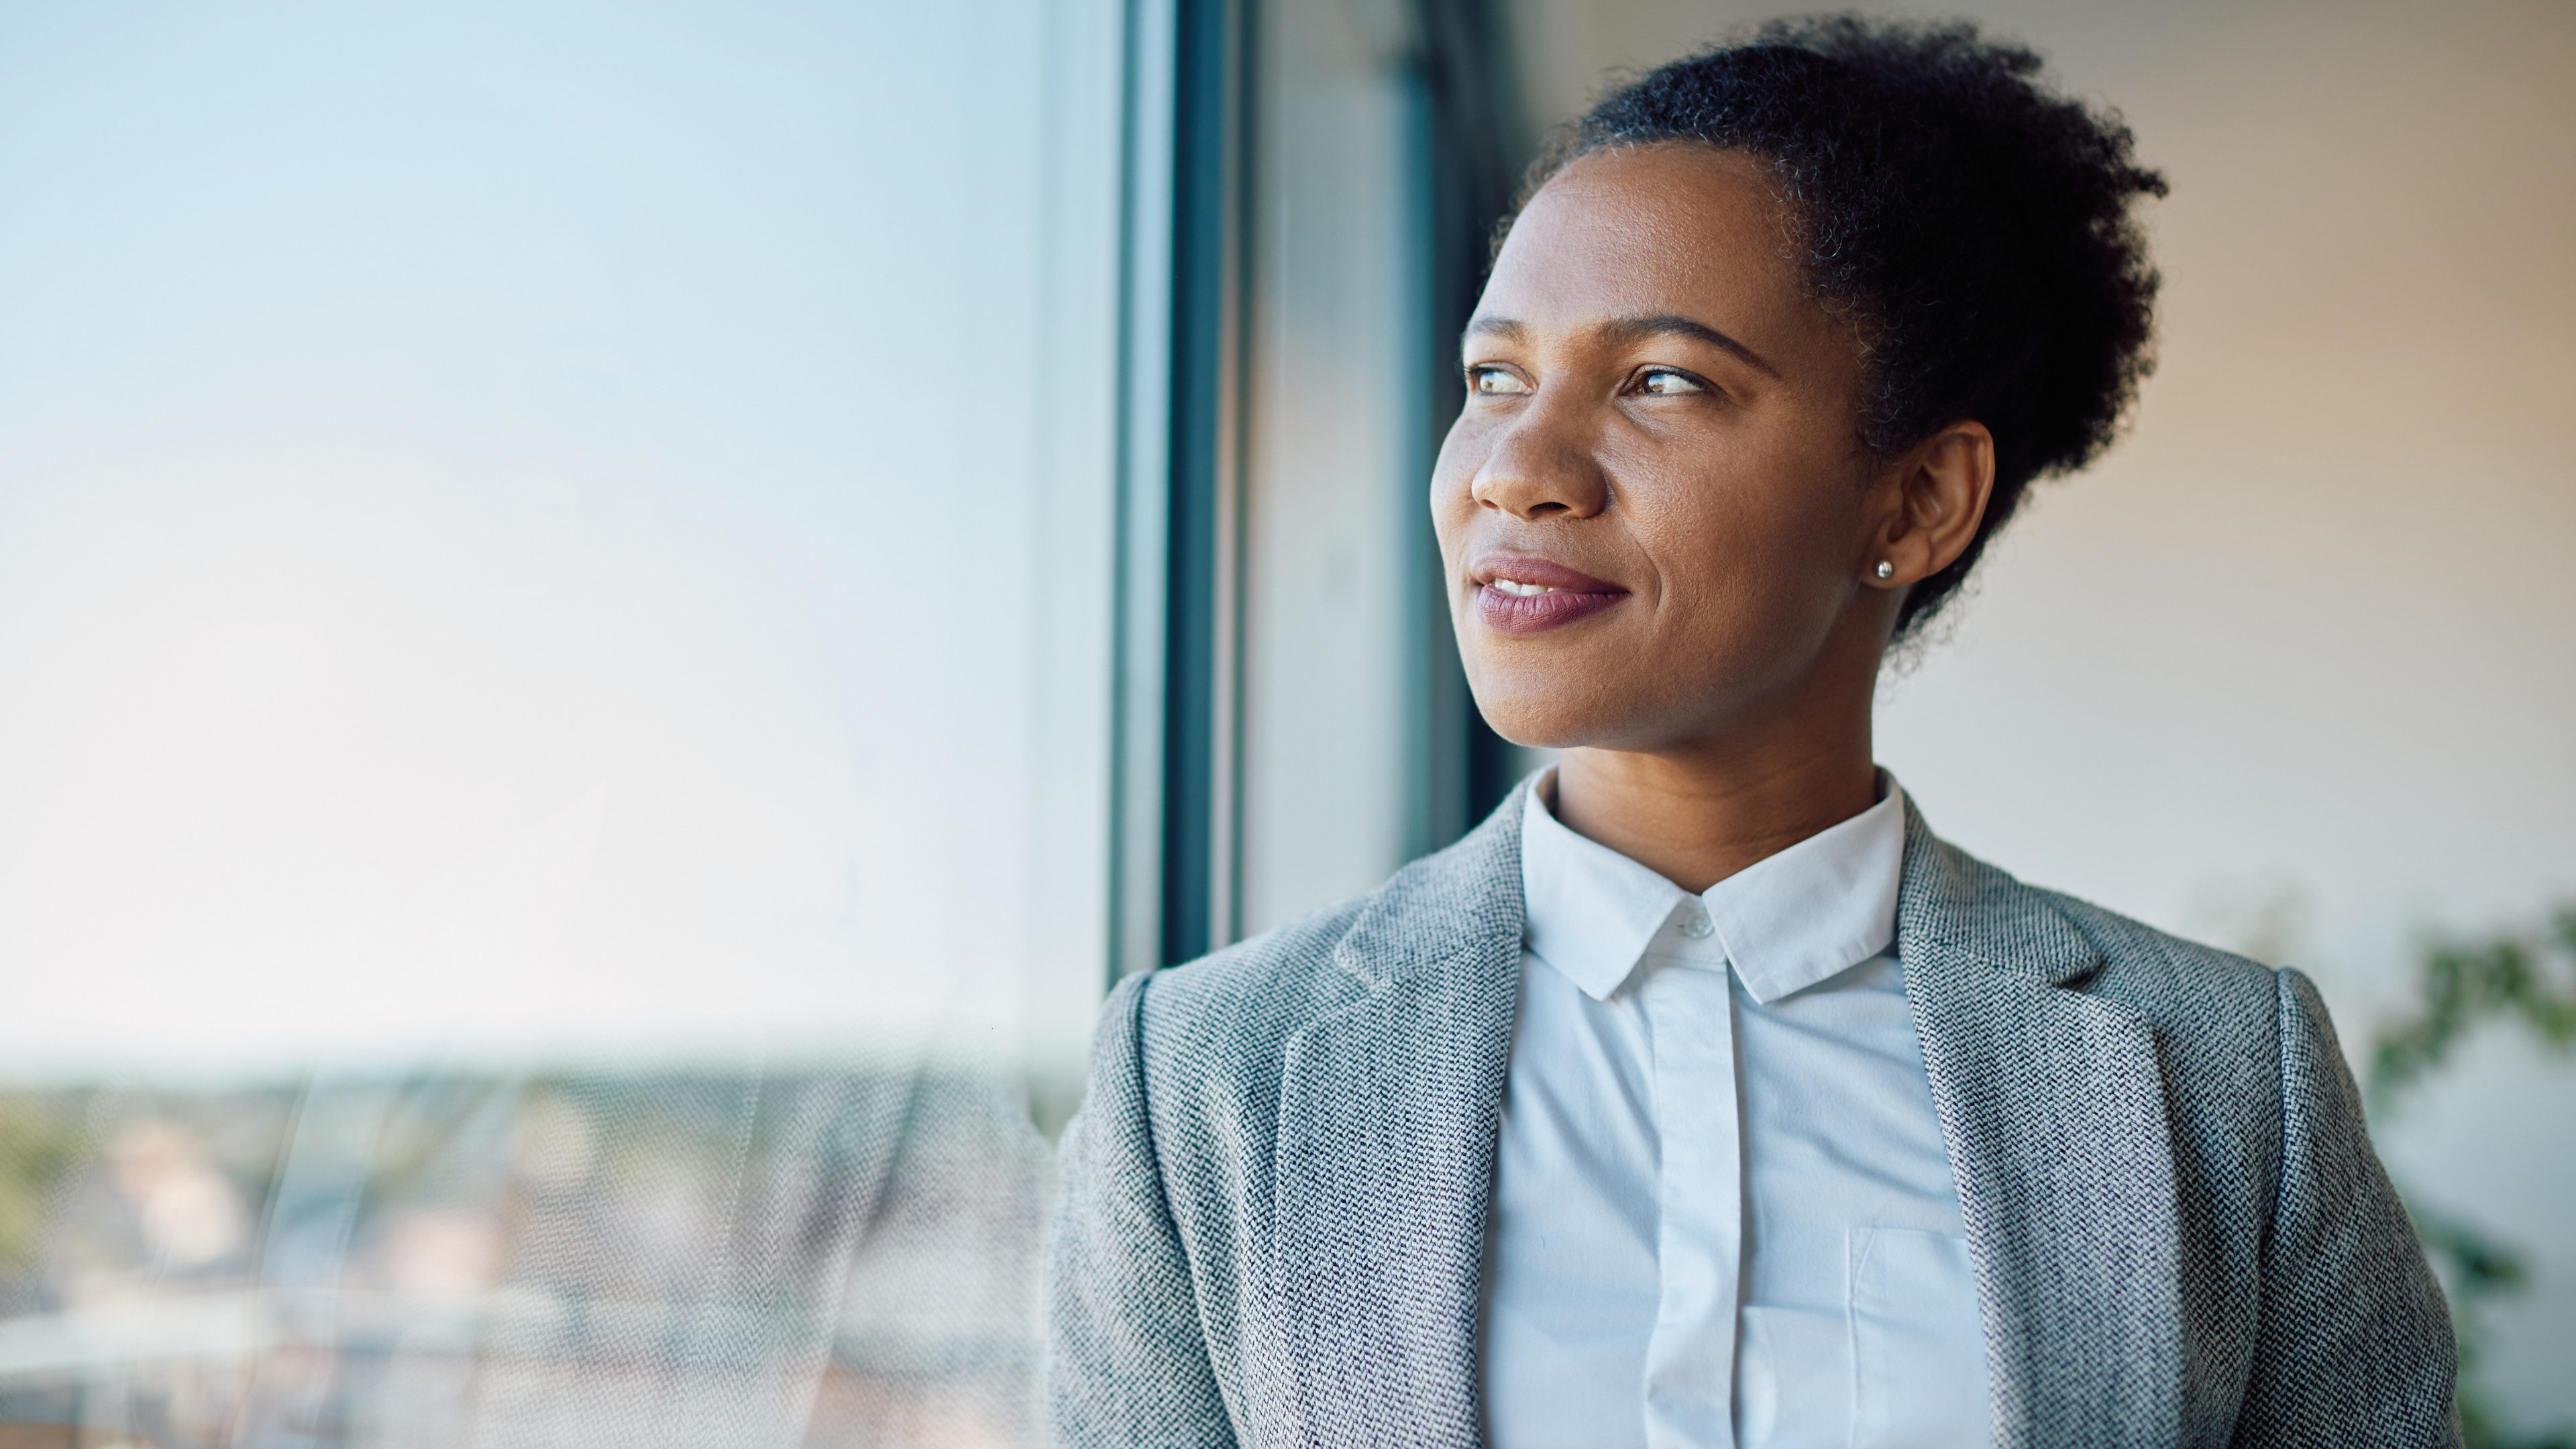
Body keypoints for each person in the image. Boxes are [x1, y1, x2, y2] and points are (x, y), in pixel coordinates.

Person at [1043, 16, 2458, 1448]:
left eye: (1662, 379)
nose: (1517, 471)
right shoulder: (1203, 1082)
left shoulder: (2223, 1082)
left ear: (1916, 503)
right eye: (1492, 379)